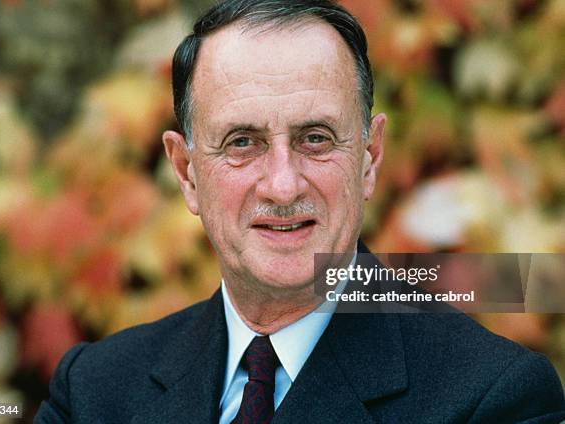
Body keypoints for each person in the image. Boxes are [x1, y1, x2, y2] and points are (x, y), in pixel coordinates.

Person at [35, 0, 565, 422]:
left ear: (369, 158)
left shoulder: (492, 398)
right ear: (187, 172)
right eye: (242, 142)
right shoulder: (93, 392)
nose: (283, 186)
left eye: (316, 138)